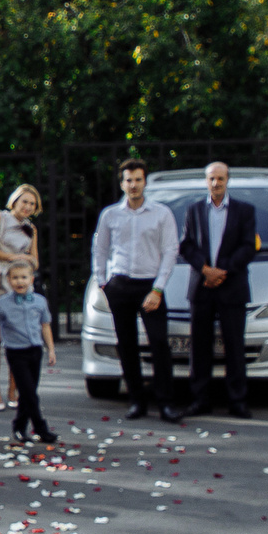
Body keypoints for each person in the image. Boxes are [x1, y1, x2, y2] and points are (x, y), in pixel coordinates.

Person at [90, 157, 181, 422]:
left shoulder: (161, 213)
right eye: (128, 180)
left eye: (138, 180)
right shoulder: (110, 214)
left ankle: (165, 402)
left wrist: (158, 289)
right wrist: (102, 282)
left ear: (145, 182)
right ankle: (136, 401)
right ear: (122, 183)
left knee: (159, 343)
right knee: (126, 345)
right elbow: (100, 249)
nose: (133, 185)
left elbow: (170, 251)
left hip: (150, 286)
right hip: (120, 285)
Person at [169, 162, 255, 420]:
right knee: (200, 346)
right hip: (202, 287)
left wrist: (222, 270)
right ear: (206, 181)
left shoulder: (244, 210)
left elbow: (248, 246)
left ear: (228, 180)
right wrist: (205, 270)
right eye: (211, 179)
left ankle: (237, 400)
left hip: (232, 286)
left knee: (234, 346)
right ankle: (199, 400)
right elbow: (186, 246)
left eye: (220, 178)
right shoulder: (194, 210)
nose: (216, 183)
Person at [0, 185, 41, 408]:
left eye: (32, 204)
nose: (27, 207)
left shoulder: (31, 229)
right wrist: (15, 256)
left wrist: (28, 263)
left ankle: (13, 390)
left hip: (19, 282)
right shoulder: (0, 218)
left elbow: (35, 259)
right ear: (14, 200)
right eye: (24, 201)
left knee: (19, 340)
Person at [0, 261, 58, 444]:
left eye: (23, 277)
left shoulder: (39, 301)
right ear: (8, 280)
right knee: (29, 392)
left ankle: (19, 427)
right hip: (16, 352)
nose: (19, 282)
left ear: (31, 279)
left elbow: (45, 325)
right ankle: (40, 427)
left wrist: (51, 350)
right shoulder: (2, 303)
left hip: (35, 351)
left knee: (27, 392)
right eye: (15, 278)